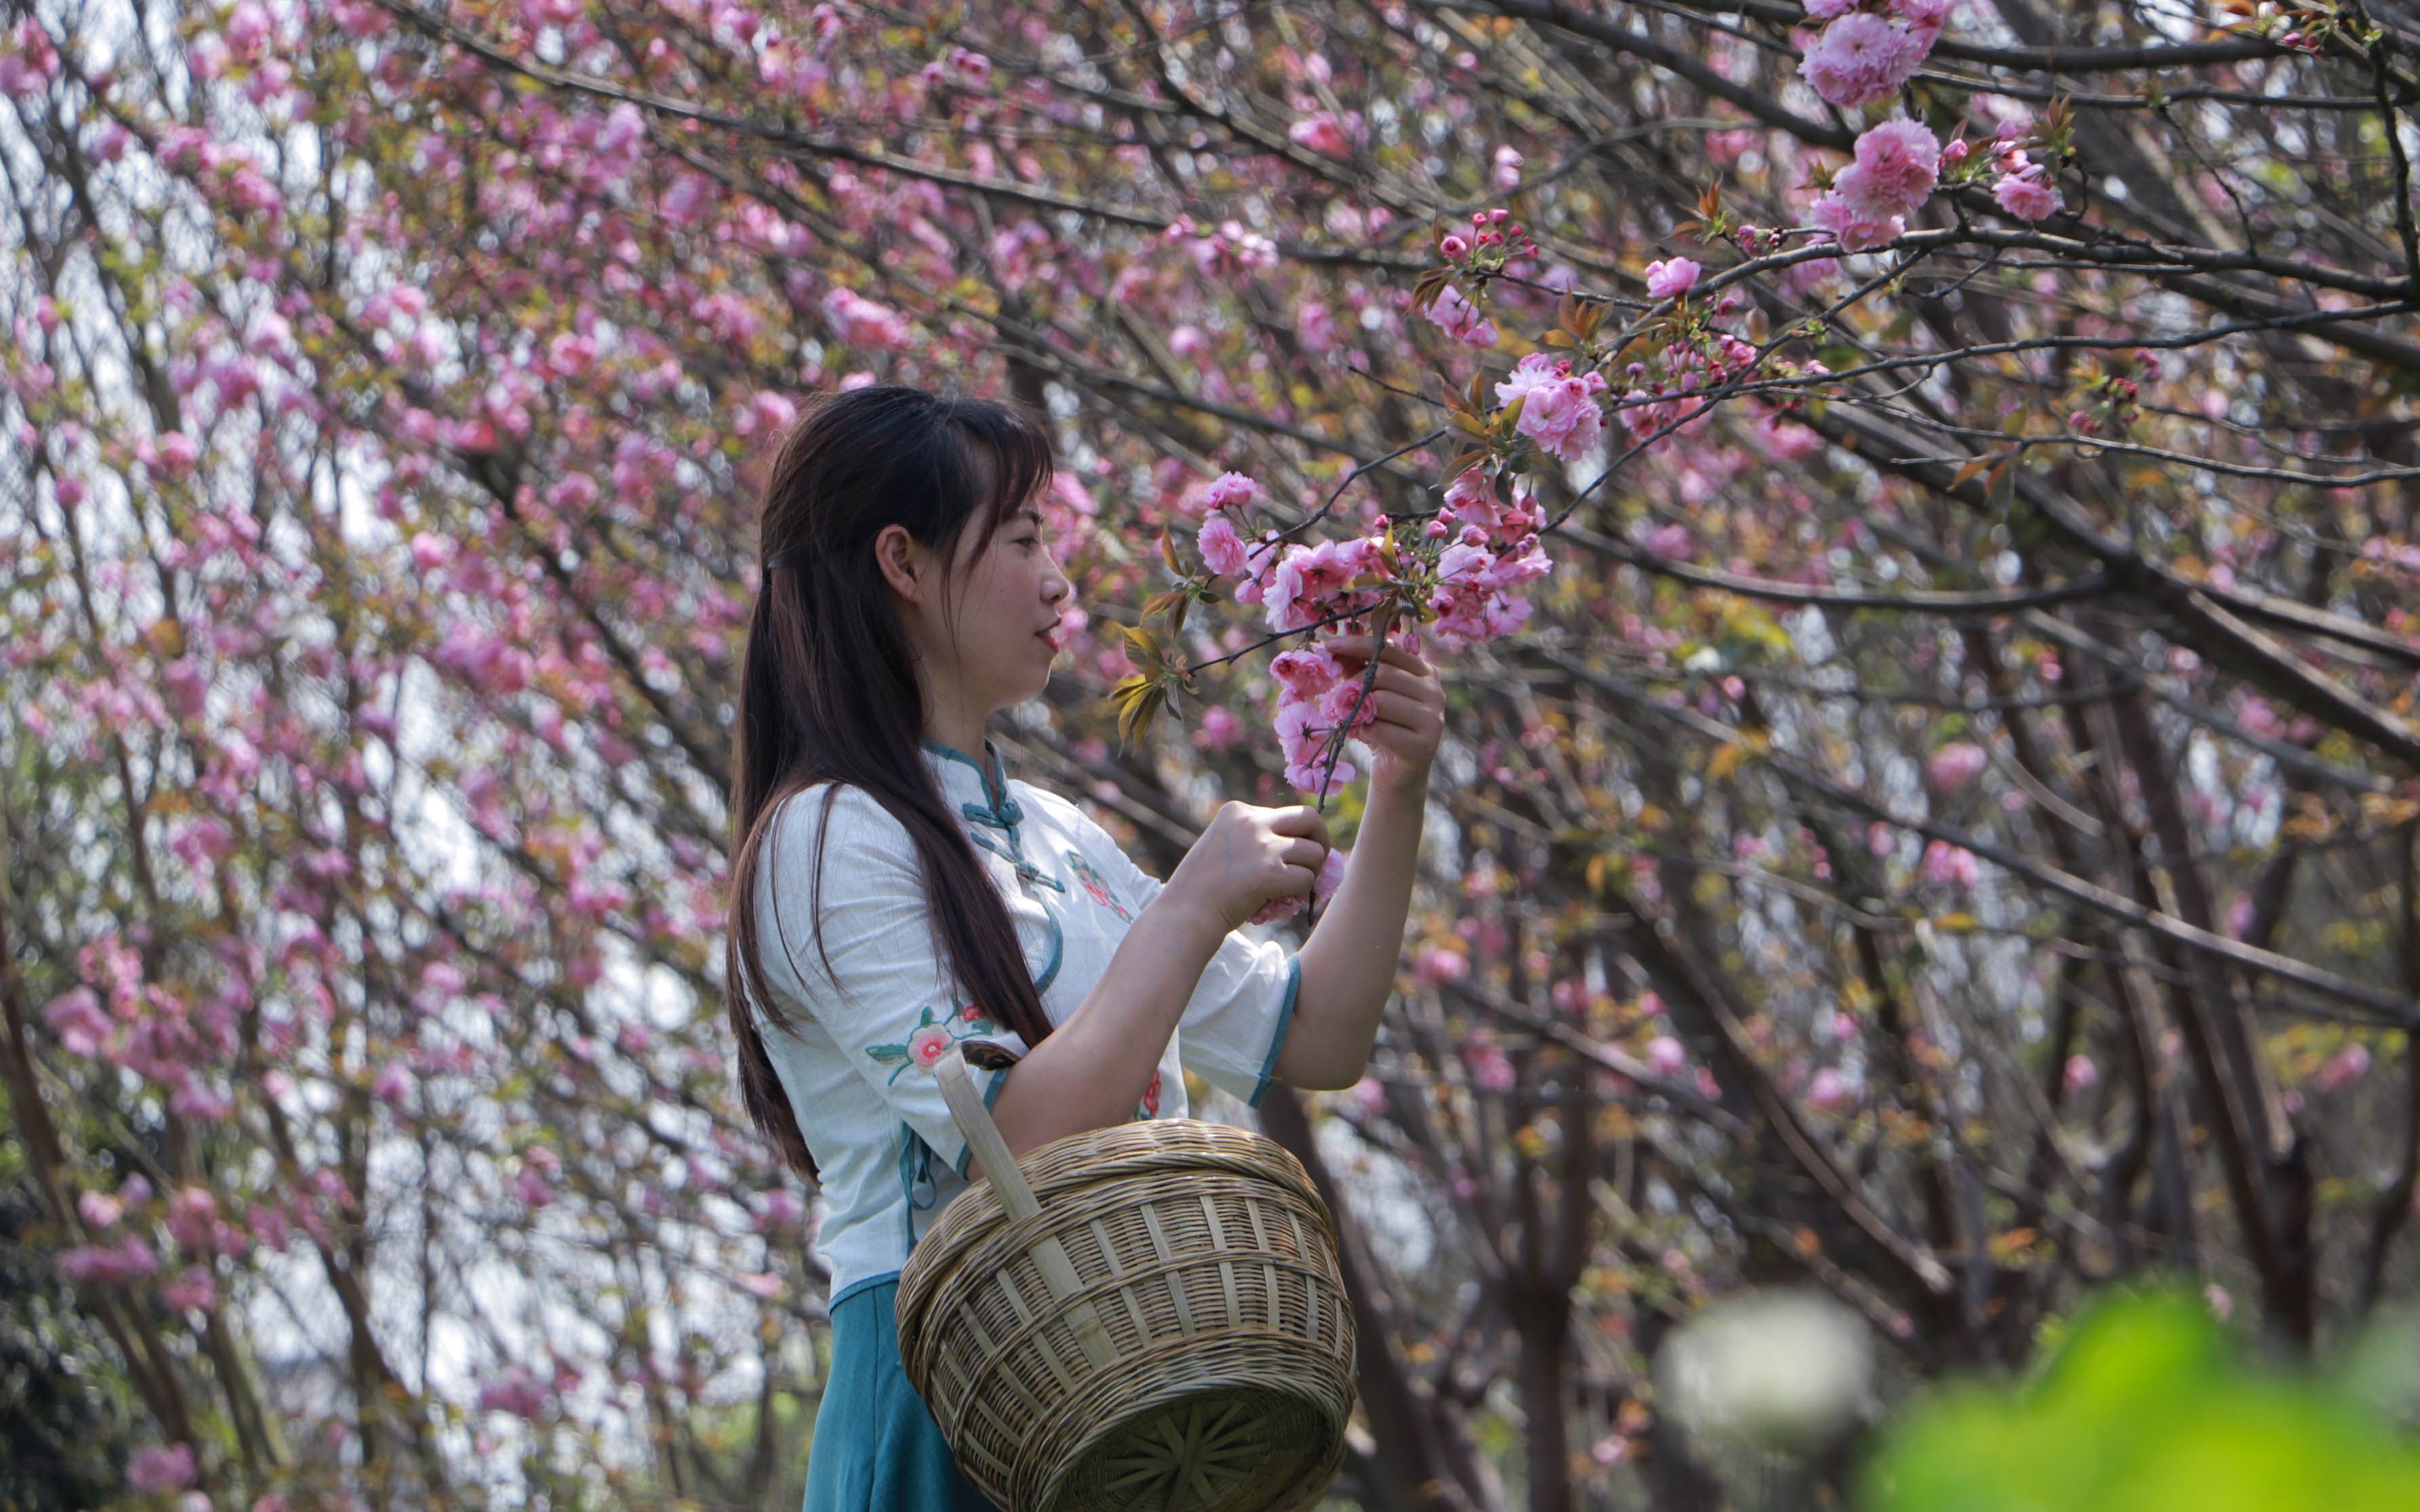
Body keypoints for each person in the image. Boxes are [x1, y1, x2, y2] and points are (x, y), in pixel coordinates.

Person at [723, 383, 1443, 1512]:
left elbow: (1317, 1035)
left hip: (1124, 1377)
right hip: (944, 1385)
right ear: (902, 564)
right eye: (1019, 539)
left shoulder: (1052, 833)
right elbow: (1020, 1139)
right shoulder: (825, 837)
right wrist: (1188, 907)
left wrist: (1398, 788)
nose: (1058, 578)